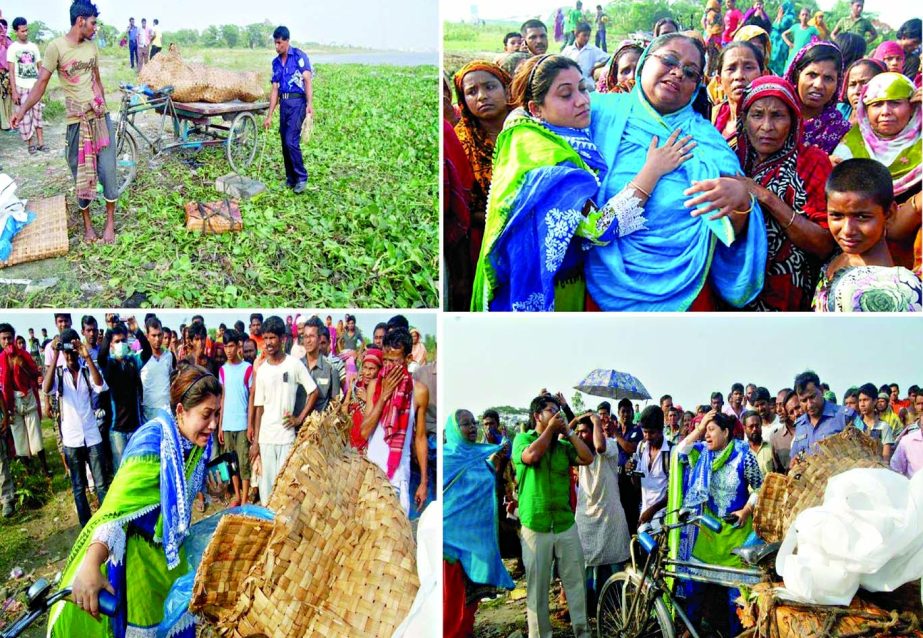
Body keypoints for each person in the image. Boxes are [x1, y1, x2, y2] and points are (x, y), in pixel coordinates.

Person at [474, 54, 683, 311]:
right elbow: (599, 228)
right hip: (549, 289)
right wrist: (652, 170)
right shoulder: (549, 161)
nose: (583, 101)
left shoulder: (538, 136)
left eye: (583, 88)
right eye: (565, 95)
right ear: (535, 109)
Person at [588, 33, 767, 311]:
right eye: (669, 60)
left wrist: (741, 201)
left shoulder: (708, 140)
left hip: (686, 293)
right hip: (603, 283)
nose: (677, 73)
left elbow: (732, 230)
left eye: (690, 72)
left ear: (696, 86)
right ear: (644, 61)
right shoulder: (596, 112)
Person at [47, 363, 223, 637]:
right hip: (139, 565)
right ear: (180, 411)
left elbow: (178, 496)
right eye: (206, 414)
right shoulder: (152, 446)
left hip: (172, 559)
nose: (213, 424)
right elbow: (116, 512)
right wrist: (91, 564)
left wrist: (210, 490)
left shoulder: (197, 442)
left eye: (217, 414)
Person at [12, 1, 119, 244]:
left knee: (108, 171)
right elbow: (41, 84)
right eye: (93, 23)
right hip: (76, 123)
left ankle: (110, 223)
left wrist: (103, 107)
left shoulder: (92, 48)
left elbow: (97, 80)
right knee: (80, 173)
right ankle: (88, 226)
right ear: (80, 20)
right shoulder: (56, 48)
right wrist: (23, 111)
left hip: (99, 119)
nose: (95, 28)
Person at [735, 75, 836, 310]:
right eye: (757, 115)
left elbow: (823, 244)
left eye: (778, 116)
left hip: (789, 294)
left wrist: (766, 197)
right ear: (744, 118)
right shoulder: (729, 158)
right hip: (732, 288)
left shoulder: (811, 162)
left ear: (793, 120)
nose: (767, 127)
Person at [513, 395, 593, 638]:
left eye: (558, 410)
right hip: (535, 525)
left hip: (564, 524)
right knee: (538, 588)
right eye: (551, 410)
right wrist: (549, 431)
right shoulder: (522, 440)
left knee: (576, 582)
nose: (557, 414)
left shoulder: (563, 447)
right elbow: (531, 457)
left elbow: (588, 458)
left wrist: (568, 433)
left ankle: (583, 632)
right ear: (538, 416)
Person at [814, 159, 922, 312]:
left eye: (862, 217)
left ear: (889, 214)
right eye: (836, 216)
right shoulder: (839, 255)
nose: (847, 230)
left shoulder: (888, 288)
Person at [443, 410, 515, 637]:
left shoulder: (478, 460)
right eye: (466, 424)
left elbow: (490, 481)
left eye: (473, 423)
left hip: (475, 544)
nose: (472, 427)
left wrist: (499, 456)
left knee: (469, 602)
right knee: (451, 602)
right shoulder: (447, 459)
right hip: (451, 546)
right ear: (455, 430)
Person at [42, 328, 109, 527]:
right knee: (79, 486)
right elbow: (46, 388)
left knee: (101, 484)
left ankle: (106, 523)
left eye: (73, 350)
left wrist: (86, 357)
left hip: (91, 435)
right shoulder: (59, 374)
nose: (70, 356)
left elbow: (101, 386)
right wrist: (55, 356)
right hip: (72, 438)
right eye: (67, 352)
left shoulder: (88, 370)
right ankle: (86, 525)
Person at [250, 316, 317, 507]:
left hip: (287, 437)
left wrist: (299, 419)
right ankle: (268, 531)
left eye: (272, 338)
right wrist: (255, 443)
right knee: (266, 492)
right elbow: (259, 407)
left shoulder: (294, 364)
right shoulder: (261, 370)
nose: (269, 343)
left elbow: (313, 392)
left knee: (286, 490)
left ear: (282, 338)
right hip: (266, 438)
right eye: (266, 338)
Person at [453, 61, 512, 273]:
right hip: (485, 238)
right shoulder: (459, 141)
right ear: (463, 101)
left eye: (490, 87)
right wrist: (498, 218)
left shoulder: (531, 128)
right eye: (471, 92)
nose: (481, 96)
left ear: (506, 88)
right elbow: (460, 206)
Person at [573, 412, 630, 614]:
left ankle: (613, 607)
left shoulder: (611, 446)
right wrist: (576, 419)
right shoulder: (579, 452)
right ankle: (589, 608)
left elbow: (599, 447)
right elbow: (562, 438)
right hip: (586, 515)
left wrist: (596, 420)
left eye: (585, 432)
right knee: (586, 560)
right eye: (578, 432)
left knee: (612, 557)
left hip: (609, 514)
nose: (580, 436)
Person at [263, 26, 313, 194]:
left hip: (298, 103)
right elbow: (275, 90)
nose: (277, 47)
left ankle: (302, 177)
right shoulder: (275, 63)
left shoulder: (299, 56)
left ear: (286, 41)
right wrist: (269, 115)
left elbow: (307, 80)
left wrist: (309, 105)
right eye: (275, 43)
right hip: (284, 104)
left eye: (279, 43)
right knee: (285, 142)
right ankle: (290, 178)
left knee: (292, 141)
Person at [99, 317, 152, 470]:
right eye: (116, 342)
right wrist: (109, 329)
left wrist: (136, 330)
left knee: (136, 469)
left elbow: (148, 352)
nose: (120, 344)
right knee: (121, 471)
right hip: (118, 430)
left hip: (135, 427)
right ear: (111, 344)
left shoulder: (133, 361)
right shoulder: (109, 364)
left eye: (123, 340)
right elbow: (101, 357)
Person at [785, 41, 850, 154]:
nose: (818, 85)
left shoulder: (841, 130)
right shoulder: (775, 115)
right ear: (797, 75)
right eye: (812, 75)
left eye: (828, 78)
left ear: (837, 83)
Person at [0, 323, 47, 475]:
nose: (7, 341)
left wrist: (23, 365)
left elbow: (35, 374)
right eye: (4, 339)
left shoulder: (23, 354)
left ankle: (45, 469)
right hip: (11, 401)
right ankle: (29, 472)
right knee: (19, 439)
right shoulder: (1, 359)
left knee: (35, 435)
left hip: (27, 396)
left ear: (13, 338)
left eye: (9, 338)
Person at [216, 329, 252, 506]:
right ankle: (236, 495)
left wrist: (251, 424)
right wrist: (220, 425)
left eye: (231, 346)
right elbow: (222, 399)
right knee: (232, 464)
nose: (228, 351)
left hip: (243, 423)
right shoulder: (222, 370)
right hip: (228, 424)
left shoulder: (248, 369)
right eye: (225, 347)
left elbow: (252, 398)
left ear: (238, 346)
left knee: (244, 462)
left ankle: (245, 498)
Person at [789, 371, 853, 466]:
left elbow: (869, 447)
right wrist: (794, 462)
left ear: (821, 390)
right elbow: (794, 457)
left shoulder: (845, 416)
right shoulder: (799, 425)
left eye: (812, 397)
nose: (809, 404)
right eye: (804, 401)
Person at [711, 41, 765, 149]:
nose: (739, 76)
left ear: (763, 75)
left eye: (749, 67)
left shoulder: (770, 123)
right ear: (719, 80)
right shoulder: (711, 117)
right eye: (731, 68)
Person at [7, 17, 46, 154]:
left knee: (38, 115)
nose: (25, 33)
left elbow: (40, 67)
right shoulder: (13, 48)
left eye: (26, 30)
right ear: (16, 31)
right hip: (20, 86)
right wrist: (14, 92)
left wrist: (41, 86)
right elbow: (11, 71)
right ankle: (30, 144)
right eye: (23, 31)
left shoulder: (33, 47)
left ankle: (41, 143)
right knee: (24, 117)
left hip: (34, 86)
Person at [628, 406, 671, 525]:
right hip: (644, 513)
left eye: (651, 433)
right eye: (644, 432)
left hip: (664, 517)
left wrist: (652, 511)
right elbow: (637, 484)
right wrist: (631, 472)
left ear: (661, 430)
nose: (647, 437)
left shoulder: (671, 452)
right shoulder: (641, 447)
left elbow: (673, 491)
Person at [140, 316, 173, 422]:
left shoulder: (169, 356)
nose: (157, 339)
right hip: (148, 410)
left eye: (159, 335)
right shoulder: (140, 358)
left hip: (166, 409)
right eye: (153, 336)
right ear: (147, 336)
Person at [561, 22, 609, 90]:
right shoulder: (568, 50)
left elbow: (609, 59)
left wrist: (595, 68)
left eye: (588, 36)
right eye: (584, 35)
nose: (586, 38)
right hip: (570, 84)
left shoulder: (592, 50)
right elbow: (559, 64)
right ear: (576, 34)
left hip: (587, 85)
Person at [838, 57, 886, 124]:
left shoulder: (885, 119)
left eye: (864, 83)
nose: (856, 91)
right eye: (852, 84)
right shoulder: (838, 110)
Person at [856, 383, 895, 461]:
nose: (862, 404)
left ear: (875, 401)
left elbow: (886, 458)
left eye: (865, 400)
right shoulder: (855, 426)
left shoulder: (883, 427)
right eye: (860, 401)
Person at [891, 393, 923, 478]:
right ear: (915, 406)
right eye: (918, 404)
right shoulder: (907, 437)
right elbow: (896, 469)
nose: (921, 407)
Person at [743, 410, 780, 476]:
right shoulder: (742, 452)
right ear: (745, 428)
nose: (754, 429)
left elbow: (779, 472)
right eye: (751, 426)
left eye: (757, 425)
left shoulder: (771, 447)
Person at [782, 8, 819, 74]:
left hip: (805, 55)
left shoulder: (812, 29)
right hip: (794, 53)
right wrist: (789, 43)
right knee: (788, 71)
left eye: (806, 15)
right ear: (799, 16)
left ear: (809, 17)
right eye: (803, 15)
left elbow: (819, 41)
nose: (804, 17)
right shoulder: (795, 27)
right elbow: (783, 34)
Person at [770, 389, 798, 471]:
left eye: (781, 405)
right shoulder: (775, 438)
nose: (778, 410)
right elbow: (778, 472)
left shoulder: (809, 430)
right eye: (776, 405)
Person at [768, 0, 797, 76]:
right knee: (770, 60)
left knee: (778, 61)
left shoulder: (789, 18)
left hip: (780, 43)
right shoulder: (780, 15)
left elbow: (779, 26)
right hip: (773, 41)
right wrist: (778, 16)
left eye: (781, 7)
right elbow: (773, 26)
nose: (780, 8)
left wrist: (780, 17)